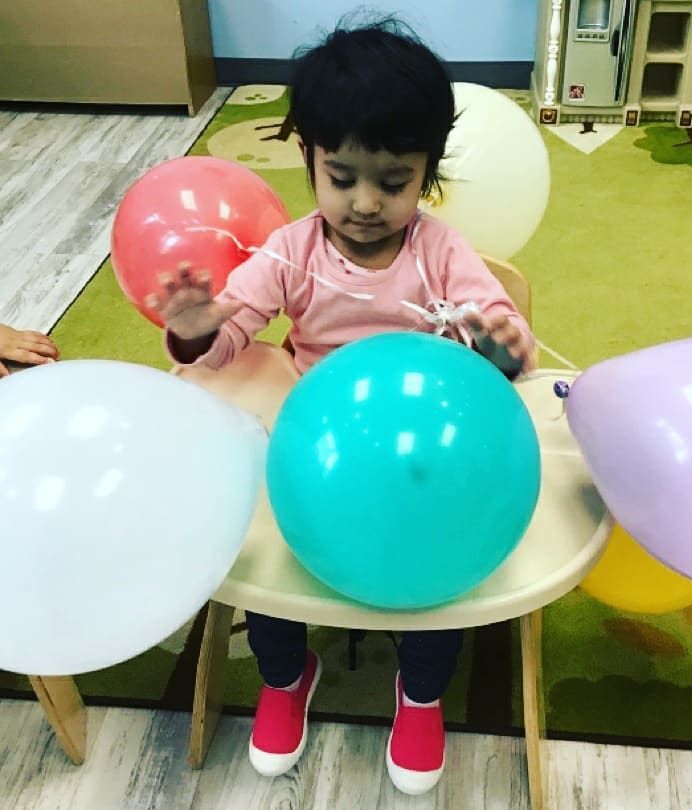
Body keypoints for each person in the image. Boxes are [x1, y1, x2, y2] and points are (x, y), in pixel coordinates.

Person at [148, 19, 536, 796]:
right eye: (343, 175)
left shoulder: (440, 253)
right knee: (261, 546)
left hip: (422, 453)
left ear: (426, 175)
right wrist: (195, 332)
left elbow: (508, 337)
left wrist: (497, 346)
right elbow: (231, 342)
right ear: (308, 161)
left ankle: (420, 691)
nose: (364, 202)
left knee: (445, 564)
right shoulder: (292, 251)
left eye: (393, 181)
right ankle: (287, 675)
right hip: (318, 451)